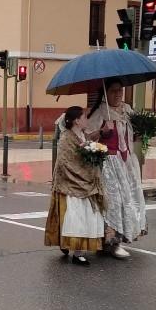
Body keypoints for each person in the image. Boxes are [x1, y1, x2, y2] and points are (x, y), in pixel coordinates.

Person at [89, 79, 148, 258]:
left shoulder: (127, 111)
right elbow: (87, 139)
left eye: (120, 91)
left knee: (127, 200)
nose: (118, 94)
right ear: (106, 93)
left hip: (127, 162)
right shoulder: (99, 113)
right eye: (113, 91)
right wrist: (101, 132)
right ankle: (110, 241)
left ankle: (119, 239)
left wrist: (142, 132)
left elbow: (133, 136)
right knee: (113, 202)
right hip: (108, 163)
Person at [45, 106, 107, 266]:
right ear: (76, 121)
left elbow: (86, 149)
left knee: (85, 216)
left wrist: (95, 152)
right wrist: (84, 172)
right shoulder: (66, 138)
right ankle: (72, 248)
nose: (87, 119)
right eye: (84, 117)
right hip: (70, 183)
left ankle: (78, 251)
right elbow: (66, 162)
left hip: (85, 181)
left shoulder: (82, 134)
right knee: (73, 216)